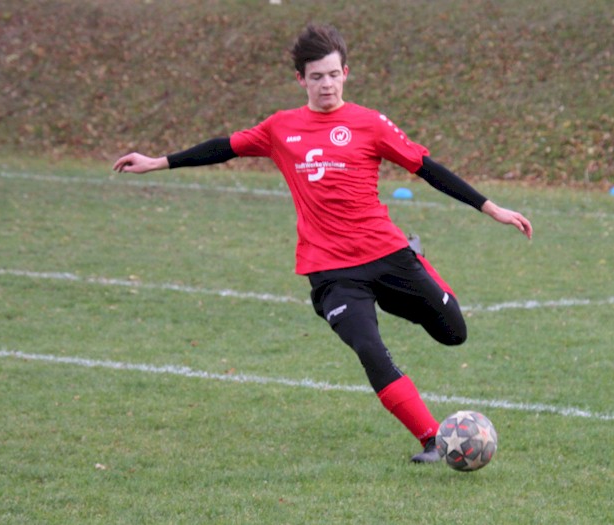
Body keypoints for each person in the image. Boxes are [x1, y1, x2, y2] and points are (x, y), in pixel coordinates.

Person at [113, 24, 532, 463]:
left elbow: (427, 167)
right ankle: (431, 440)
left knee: (453, 333)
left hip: (387, 254)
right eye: (316, 77)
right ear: (301, 79)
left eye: (333, 74)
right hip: (330, 271)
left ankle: (417, 261)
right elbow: (225, 147)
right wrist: (157, 162)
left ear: (345, 73)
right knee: (369, 349)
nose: (327, 84)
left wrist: (492, 208)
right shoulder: (281, 128)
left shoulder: (370, 123)